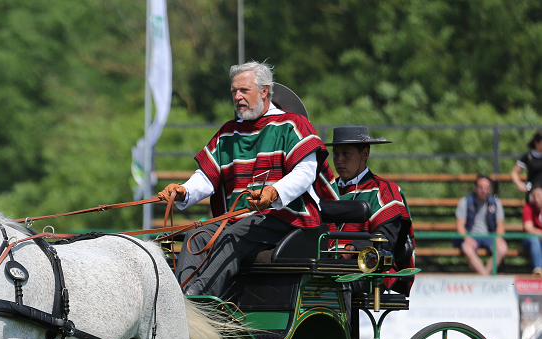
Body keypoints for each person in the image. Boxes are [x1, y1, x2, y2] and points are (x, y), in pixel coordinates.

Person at [157, 61, 338, 297]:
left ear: (264, 91)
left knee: (234, 234)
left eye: (244, 90)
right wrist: (184, 191)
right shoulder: (228, 132)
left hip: (286, 218)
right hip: (239, 220)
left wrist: (274, 193)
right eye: (234, 91)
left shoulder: (292, 124)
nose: (238, 97)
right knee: (196, 234)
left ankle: (196, 302)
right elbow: (207, 177)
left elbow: (305, 172)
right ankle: (179, 299)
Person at [326, 126, 415, 293]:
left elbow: (386, 238)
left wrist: (351, 248)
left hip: (370, 269)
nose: (338, 160)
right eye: (335, 153)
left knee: (338, 279)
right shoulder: (327, 190)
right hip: (328, 264)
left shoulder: (384, 190)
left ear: (365, 154)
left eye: (346, 153)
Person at [455, 175, 508, 275]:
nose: (484, 190)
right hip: (471, 236)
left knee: (502, 248)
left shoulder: (495, 203)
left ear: (490, 189)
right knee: (467, 248)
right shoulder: (465, 201)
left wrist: (498, 238)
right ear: (475, 188)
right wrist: (467, 238)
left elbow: (500, 226)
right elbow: (460, 226)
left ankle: (484, 277)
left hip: (490, 236)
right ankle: (486, 277)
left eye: (487, 188)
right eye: (481, 187)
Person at [510, 130, 542, 200]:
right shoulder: (529, 156)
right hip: (533, 192)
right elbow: (514, 172)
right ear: (536, 143)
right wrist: (519, 184)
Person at [523, 187, 542, 276]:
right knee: (534, 239)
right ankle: (538, 270)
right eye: (534, 196)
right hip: (530, 241)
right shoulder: (528, 207)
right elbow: (528, 228)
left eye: (539, 195)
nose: (536, 198)